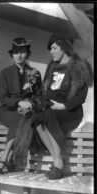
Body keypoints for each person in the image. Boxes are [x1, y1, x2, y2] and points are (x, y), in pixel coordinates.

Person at [30, 34, 91, 180]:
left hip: (70, 111)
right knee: (36, 119)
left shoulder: (79, 66)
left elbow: (81, 97)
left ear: (64, 48)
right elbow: (45, 92)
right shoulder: (52, 66)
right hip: (51, 108)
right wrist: (35, 86)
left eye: (54, 48)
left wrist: (63, 106)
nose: (51, 51)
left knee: (50, 115)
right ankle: (58, 159)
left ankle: (57, 164)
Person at [0, 37, 42, 174]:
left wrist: (30, 103)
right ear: (12, 54)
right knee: (20, 118)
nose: (19, 55)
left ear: (27, 54)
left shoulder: (35, 73)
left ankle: (6, 159)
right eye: (16, 52)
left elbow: (40, 96)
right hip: (7, 111)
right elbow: (2, 98)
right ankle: (6, 157)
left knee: (26, 117)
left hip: (27, 110)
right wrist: (18, 102)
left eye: (22, 52)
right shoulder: (5, 72)